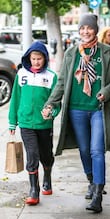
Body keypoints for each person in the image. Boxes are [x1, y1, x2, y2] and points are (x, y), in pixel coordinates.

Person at [41, 13, 110, 213]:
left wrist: (106, 92)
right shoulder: (71, 54)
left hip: (98, 110)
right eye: (82, 28)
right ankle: (92, 181)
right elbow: (61, 82)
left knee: (96, 150)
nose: (85, 32)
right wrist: (51, 103)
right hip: (76, 109)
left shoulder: (107, 52)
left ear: (95, 29)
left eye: (89, 28)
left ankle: (98, 194)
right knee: (84, 150)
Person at [8, 41, 59, 205]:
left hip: (44, 125)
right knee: (32, 155)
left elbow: (57, 102)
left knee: (46, 155)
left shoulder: (51, 77)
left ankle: (47, 178)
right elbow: (15, 98)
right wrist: (12, 122)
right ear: (29, 58)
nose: (36, 62)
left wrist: (51, 112)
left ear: (45, 59)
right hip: (26, 123)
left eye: (39, 59)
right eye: (33, 58)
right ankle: (33, 190)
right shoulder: (21, 74)